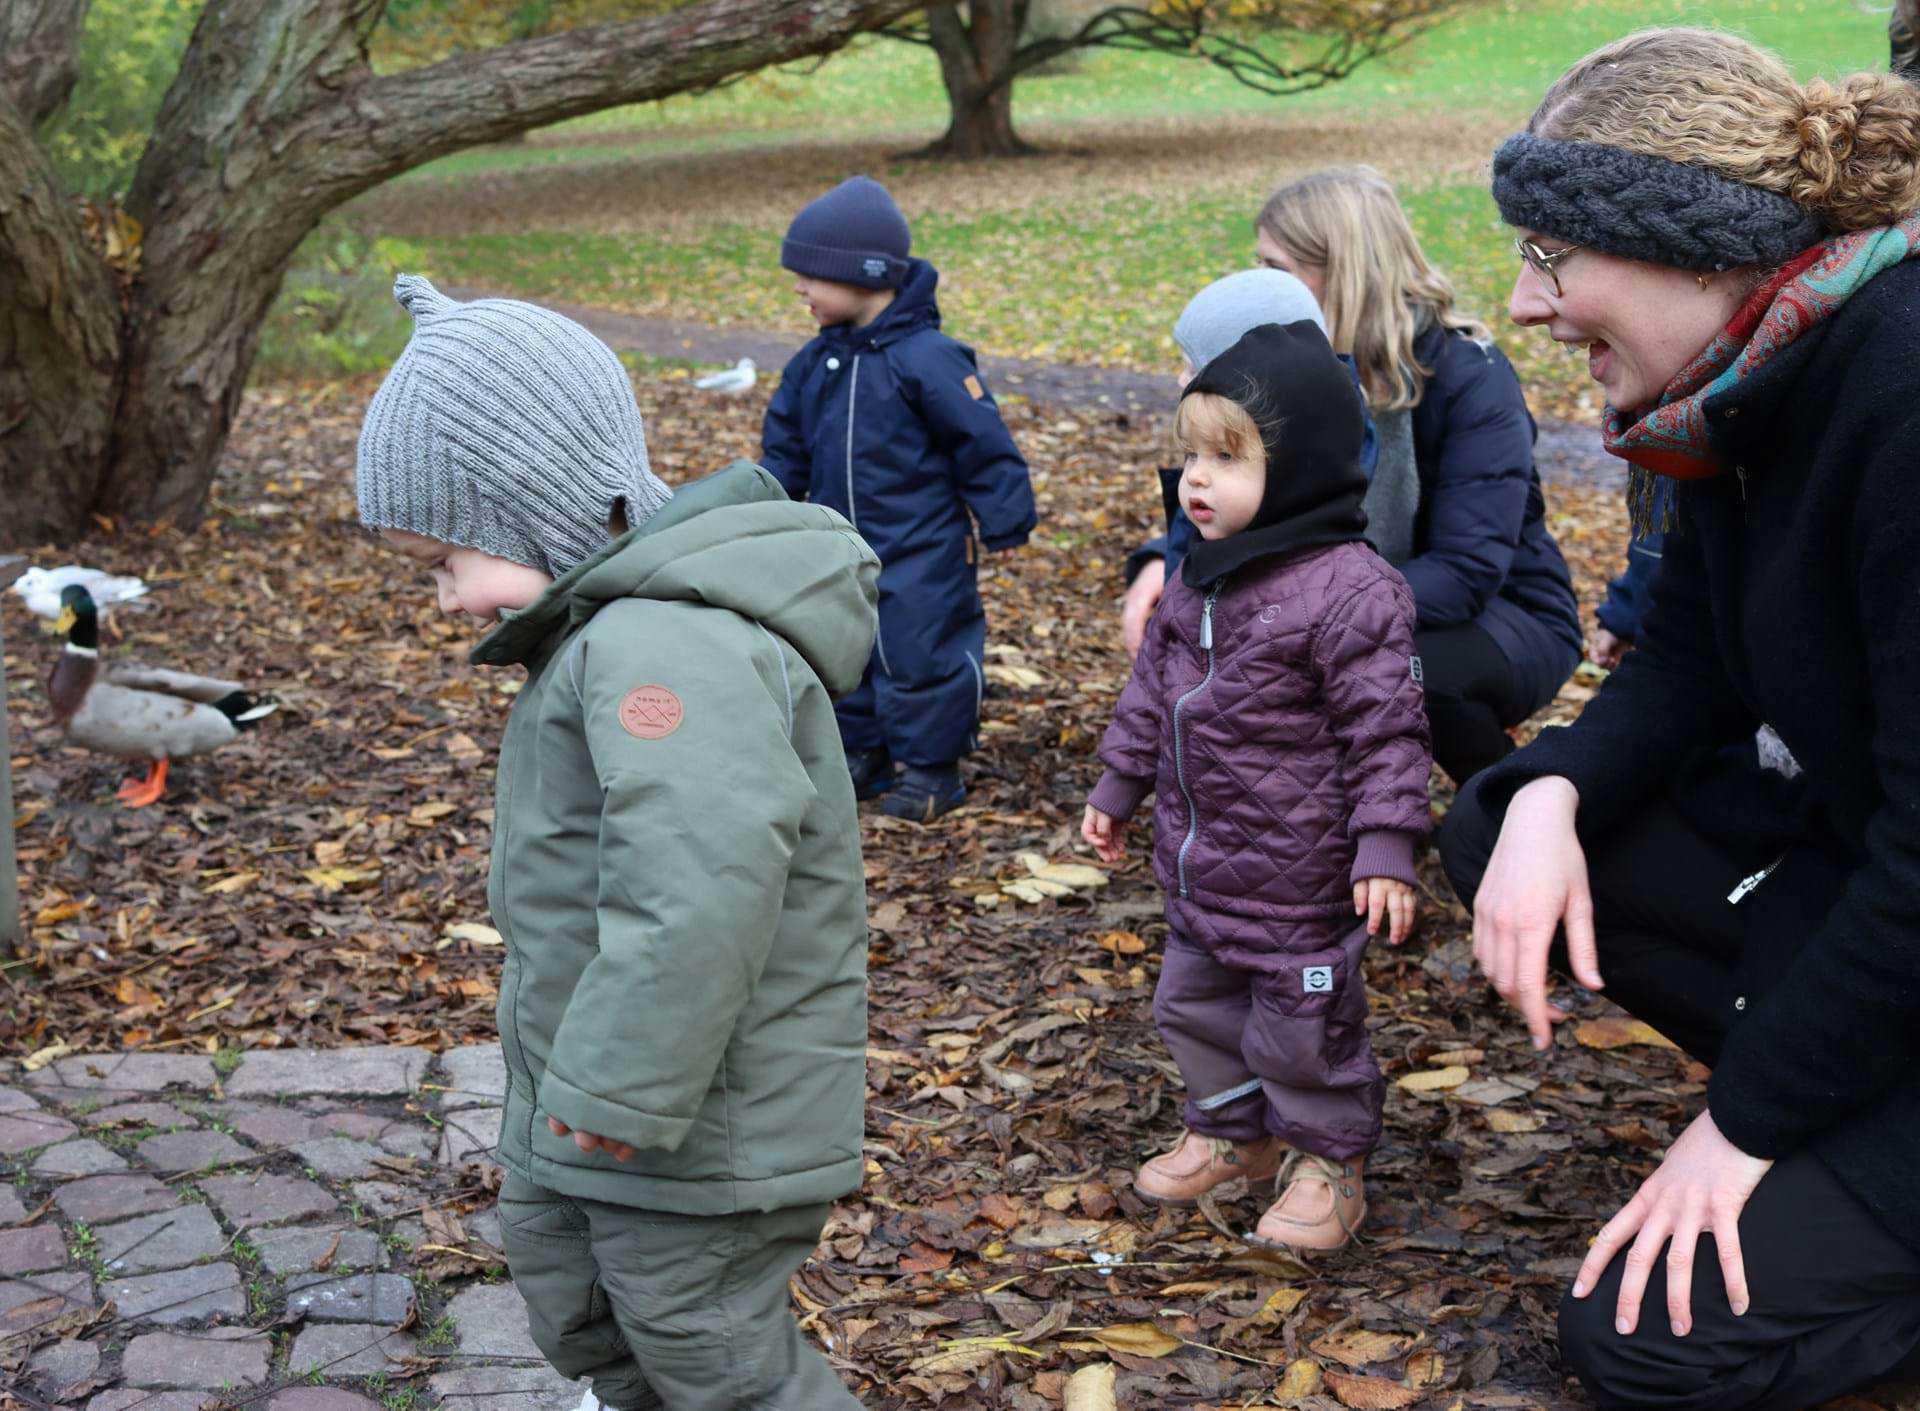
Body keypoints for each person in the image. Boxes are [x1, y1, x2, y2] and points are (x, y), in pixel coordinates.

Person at [1437, 28, 1920, 1409]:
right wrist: (1547, 795)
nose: (1528, 305)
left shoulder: (1900, 399)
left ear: (1696, 247)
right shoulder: (1748, 382)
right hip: (1866, 886)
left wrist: (1747, 1117)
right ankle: (1830, 1098)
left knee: (1644, 1346)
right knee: (1502, 824)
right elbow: (1687, 665)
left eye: (1550, 255)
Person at [357, 276, 878, 1411]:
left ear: (535, 507)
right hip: (606, 1103)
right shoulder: (613, 636)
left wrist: (621, 1089)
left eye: (446, 562)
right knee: (588, 1307)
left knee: (711, 1350)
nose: (447, 600)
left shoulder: (667, 649)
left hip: (689, 1117)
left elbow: (701, 887)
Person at [1084, 322, 1432, 1252]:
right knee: (1190, 1004)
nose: (1196, 478)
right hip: (1204, 871)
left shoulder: (1351, 593)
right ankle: (1233, 1131)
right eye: (1192, 453)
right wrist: (1118, 785)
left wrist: (1388, 845)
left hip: (1303, 880)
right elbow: (1151, 692)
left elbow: (1388, 729)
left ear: (1302, 465)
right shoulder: (1198, 579)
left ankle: (1329, 1160)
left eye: (1227, 457)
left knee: (1301, 1030)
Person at [1122, 167, 1582, 785]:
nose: (1260, 286)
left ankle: (1500, 796)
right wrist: (1162, 559)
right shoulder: (1284, 380)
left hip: (1502, 614)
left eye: (1276, 269)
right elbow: (1256, 495)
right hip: (1331, 598)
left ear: (1344, 269)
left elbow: (1466, 570)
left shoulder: (1470, 373)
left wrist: (1302, 620)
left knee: (1394, 670)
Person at [762, 175, 1036, 822]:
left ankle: (934, 770)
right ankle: (866, 754)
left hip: (923, 547)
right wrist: (768, 505)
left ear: (864, 274)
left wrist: (1004, 514)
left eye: (809, 274)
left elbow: (982, 439)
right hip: (836, 545)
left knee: (922, 652)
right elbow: (785, 449)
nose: (798, 287)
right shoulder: (812, 366)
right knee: (844, 649)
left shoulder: (928, 360)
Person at [1120, 266, 1380, 600]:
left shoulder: (1330, 575)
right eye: (1190, 456)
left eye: (1194, 368)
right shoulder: (1216, 483)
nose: (1180, 380)